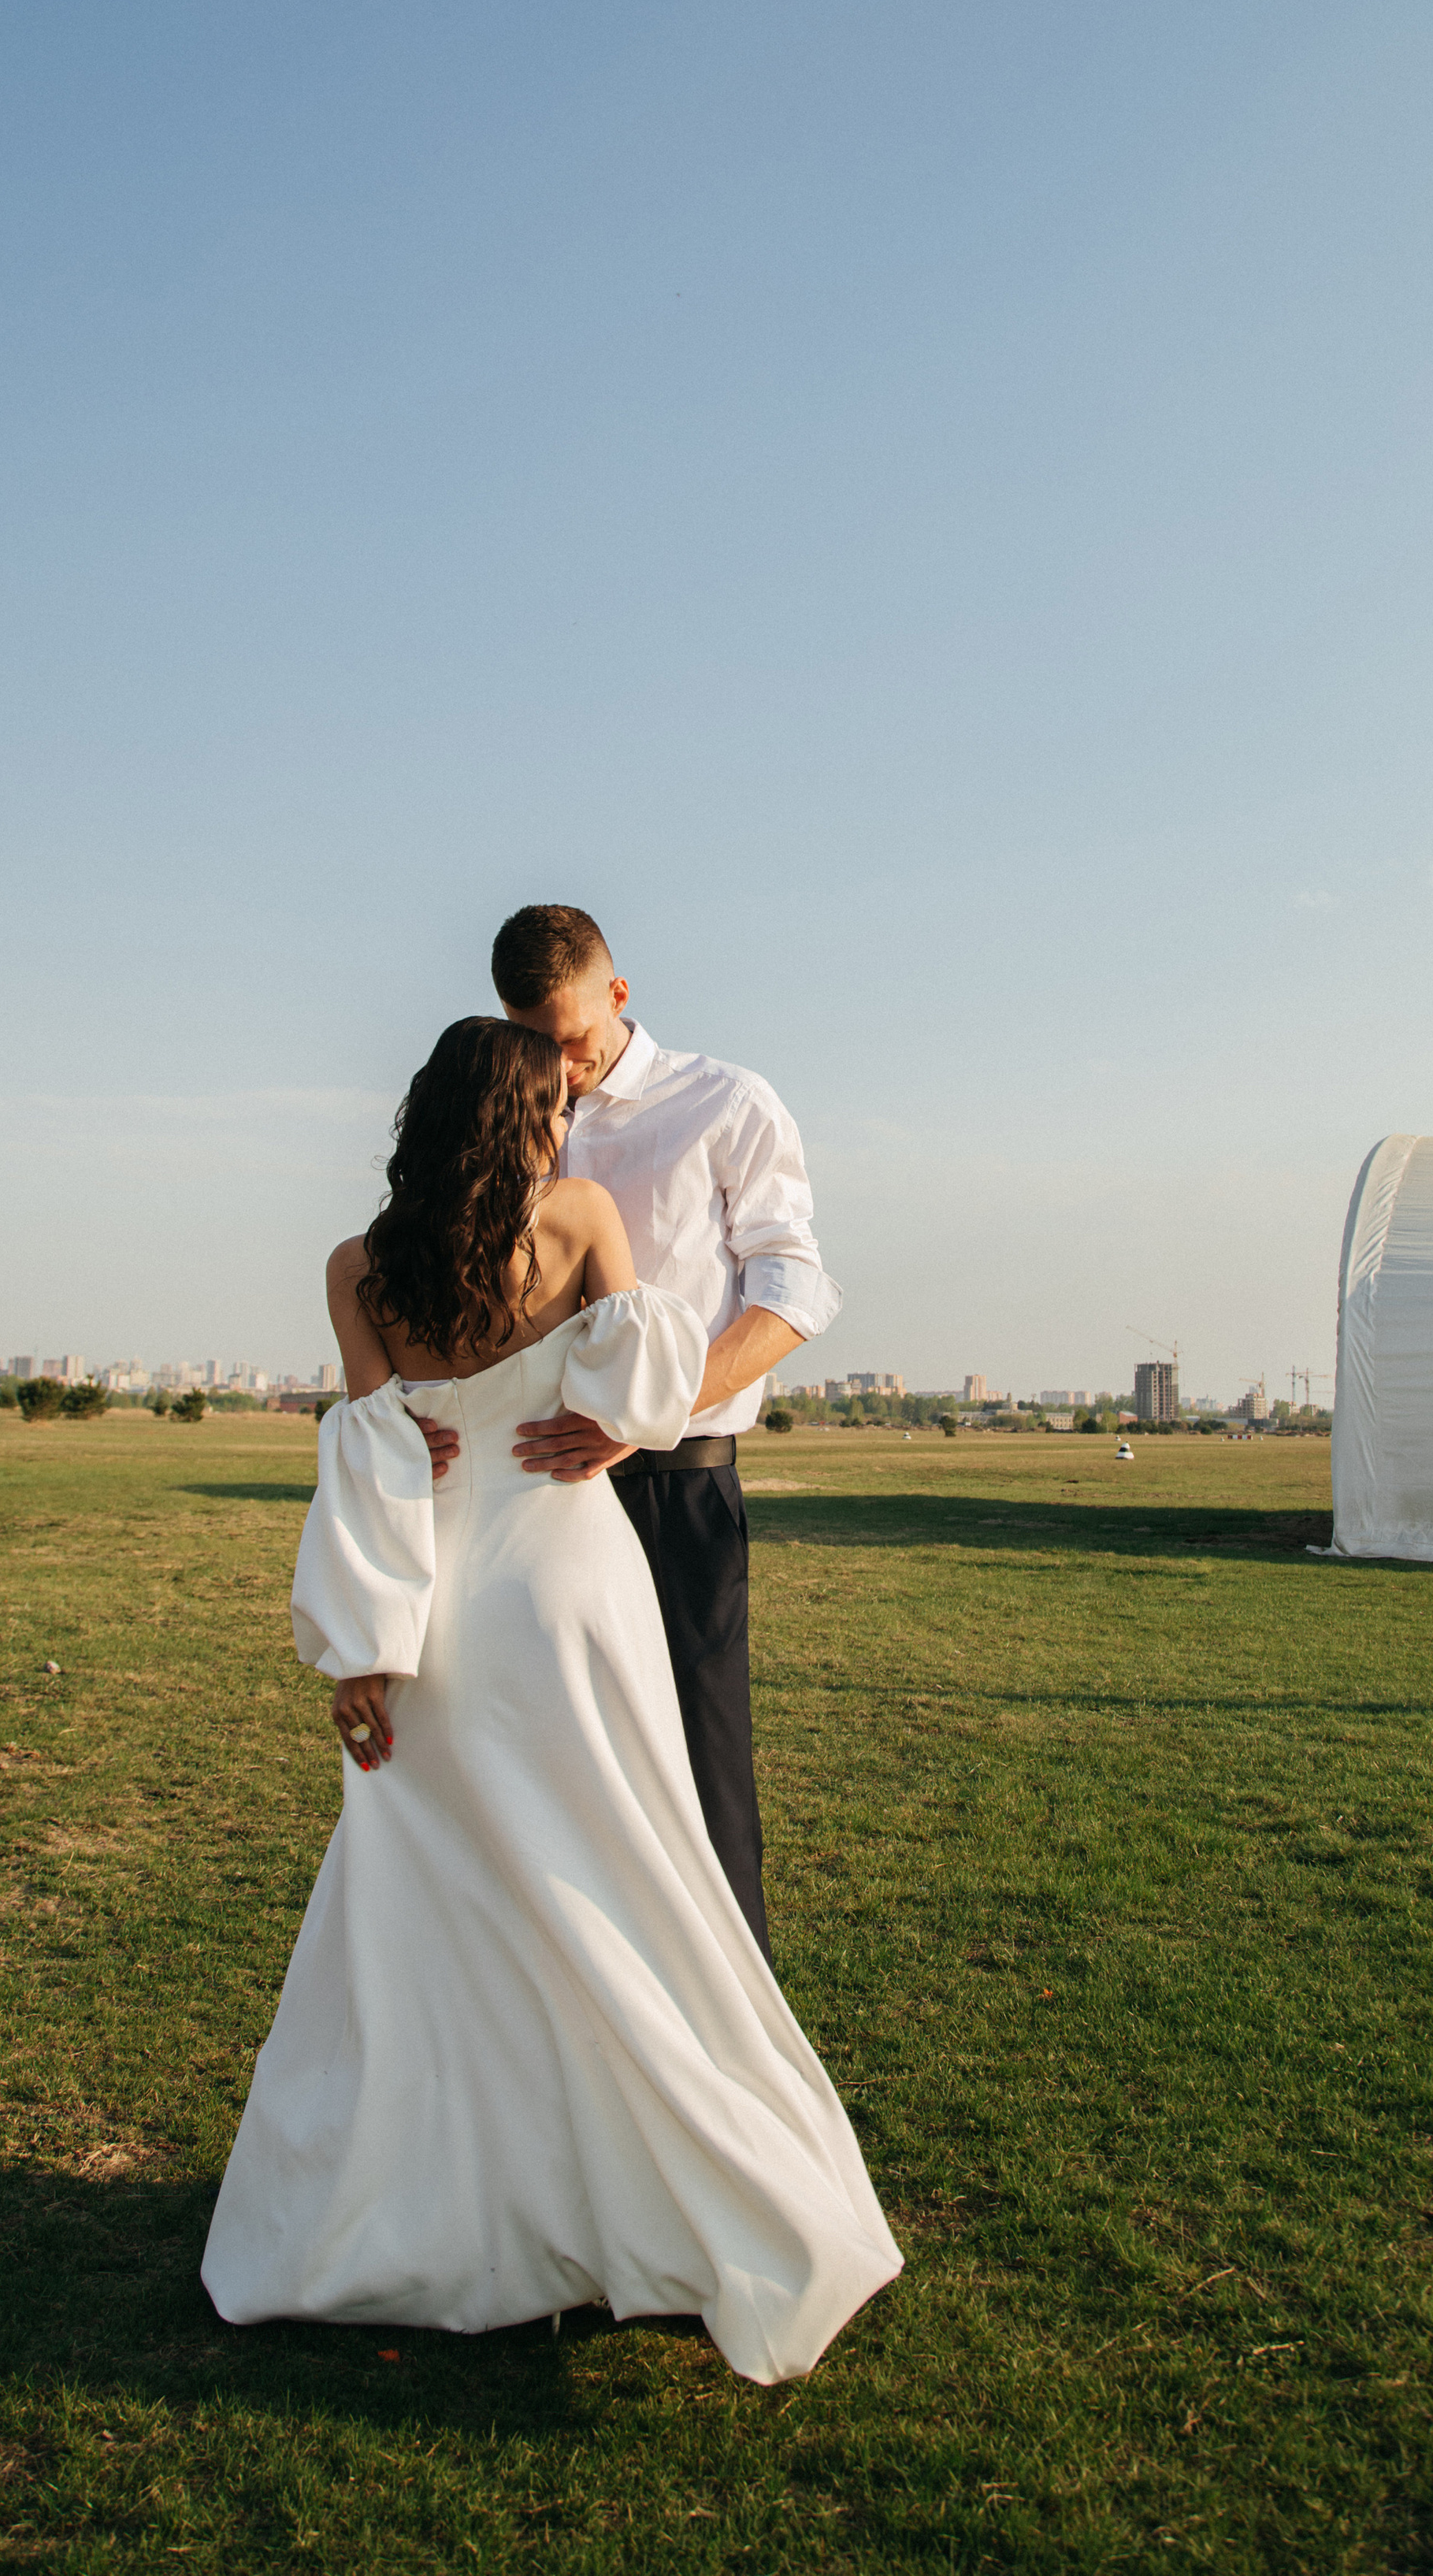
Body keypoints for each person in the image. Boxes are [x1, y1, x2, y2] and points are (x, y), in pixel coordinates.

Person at [200, 1017, 899, 2384]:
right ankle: (678, 2201)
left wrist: (364, 1651)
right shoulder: (579, 1218)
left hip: (441, 1606)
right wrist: (608, 1426)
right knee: (622, 1882)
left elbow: (375, 1462)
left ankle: (440, 2216)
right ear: (535, 1119)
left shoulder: (358, 1268)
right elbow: (641, 1386)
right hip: (571, 1584)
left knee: (434, 1912)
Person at [492, 903, 837, 1962]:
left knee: (703, 1767)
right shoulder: (510, 1117)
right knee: (557, 1769)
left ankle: (740, 2046)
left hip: (678, 1487)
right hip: (539, 1490)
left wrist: (644, 1418)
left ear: (620, 996)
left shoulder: (725, 1103)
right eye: (532, 1039)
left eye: (574, 1038)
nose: (558, 1063)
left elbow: (793, 1288)